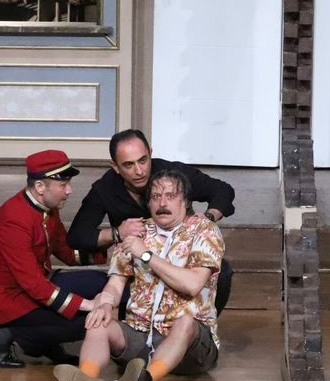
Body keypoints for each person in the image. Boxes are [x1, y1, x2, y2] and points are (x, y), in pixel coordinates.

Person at [53, 168, 224, 381]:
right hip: (140, 334)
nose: (162, 203)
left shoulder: (204, 231)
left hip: (190, 347)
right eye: (156, 197)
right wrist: (105, 304)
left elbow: (192, 284)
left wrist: (146, 255)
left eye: (170, 196)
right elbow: (115, 283)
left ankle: (145, 380)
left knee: (185, 322)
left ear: (185, 201)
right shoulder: (137, 232)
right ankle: (86, 379)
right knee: (98, 321)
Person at [66, 129, 236, 311]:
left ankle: (203, 324)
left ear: (150, 154)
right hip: (139, 265)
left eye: (143, 160)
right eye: (128, 165)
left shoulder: (174, 174)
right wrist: (116, 233)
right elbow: (77, 236)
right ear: (115, 167)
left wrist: (207, 218)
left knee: (222, 272)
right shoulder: (105, 188)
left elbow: (222, 191)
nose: (139, 171)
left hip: (183, 257)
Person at [0, 150, 111, 369]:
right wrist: (89, 305)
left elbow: (67, 252)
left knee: (100, 282)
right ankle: (6, 332)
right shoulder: (14, 221)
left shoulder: (47, 208)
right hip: (10, 301)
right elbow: (33, 285)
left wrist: (111, 246)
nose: (69, 190)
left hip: (35, 287)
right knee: (87, 322)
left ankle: (40, 338)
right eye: (63, 184)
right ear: (39, 187)